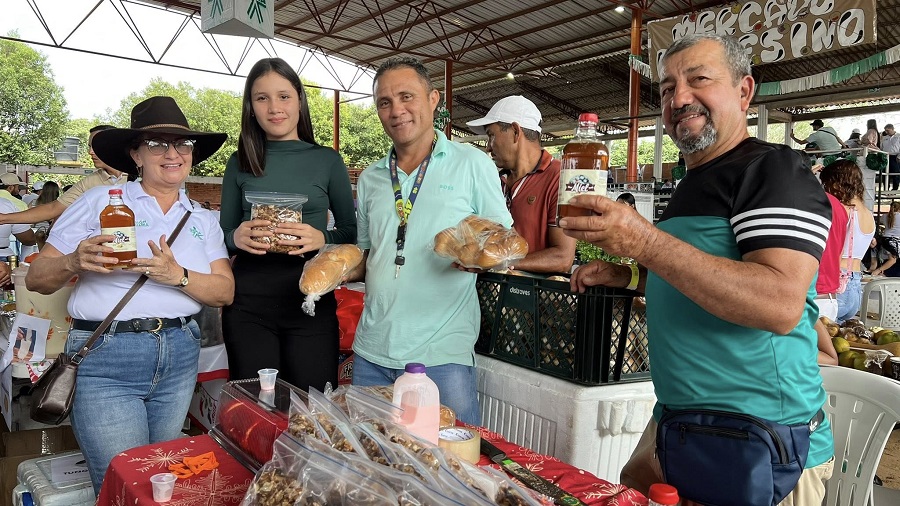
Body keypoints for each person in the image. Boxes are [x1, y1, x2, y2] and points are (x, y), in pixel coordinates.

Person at [559, 34, 834, 504]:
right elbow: (701, 274)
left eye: (698, 80)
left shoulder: (774, 171)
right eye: (666, 89)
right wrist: (627, 275)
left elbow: (779, 302)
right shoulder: (692, 182)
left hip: (760, 442)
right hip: (680, 423)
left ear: (744, 91)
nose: (679, 98)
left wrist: (645, 241)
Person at [25, 96, 234, 493]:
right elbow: (37, 277)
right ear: (135, 154)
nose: (172, 154)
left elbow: (224, 291)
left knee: (161, 482)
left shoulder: (202, 218)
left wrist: (179, 275)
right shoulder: (98, 202)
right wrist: (73, 261)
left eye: (182, 145)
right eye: (157, 144)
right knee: (124, 484)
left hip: (179, 353)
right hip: (108, 355)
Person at [348, 56, 511, 425]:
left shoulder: (471, 163)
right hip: (371, 351)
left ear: (433, 99)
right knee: (368, 464)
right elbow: (368, 254)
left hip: (442, 356)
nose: (397, 110)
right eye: (384, 103)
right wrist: (329, 265)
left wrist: (482, 256)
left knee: (451, 468)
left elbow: (501, 242)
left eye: (407, 96)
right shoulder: (373, 177)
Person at [219, 57, 357, 392]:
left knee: (311, 410)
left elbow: (351, 235)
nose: (274, 107)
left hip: (310, 301)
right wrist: (236, 236)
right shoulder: (239, 161)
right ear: (250, 107)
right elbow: (221, 237)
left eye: (284, 96)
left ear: (299, 100)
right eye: (261, 98)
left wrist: (320, 237)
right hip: (248, 304)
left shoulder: (327, 160)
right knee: (255, 412)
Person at [465, 95, 575, 274]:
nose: (488, 147)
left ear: (516, 132)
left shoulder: (560, 178)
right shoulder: (492, 179)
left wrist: (500, 261)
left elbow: (562, 258)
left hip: (535, 296)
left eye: (491, 135)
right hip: (491, 293)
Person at [0, 125, 131, 226]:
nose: (90, 152)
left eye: (96, 146)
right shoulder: (89, 182)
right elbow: (52, 209)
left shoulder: (141, 175)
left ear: (115, 145)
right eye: (89, 146)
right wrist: (4, 218)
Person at [820, 159, 876, 324]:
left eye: (826, 184)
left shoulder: (842, 210)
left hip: (838, 285)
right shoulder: (868, 213)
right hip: (855, 286)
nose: (826, 189)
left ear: (837, 183)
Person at [880, 123, 900, 191]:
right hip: (885, 157)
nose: (886, 132)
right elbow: (881, 148)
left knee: (895, 173)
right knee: (884, 173)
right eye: (885, 130)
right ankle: (886, 189)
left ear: (892, 129)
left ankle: (895, 189)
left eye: (888, 130)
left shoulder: (899, 136)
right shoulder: (884, 138)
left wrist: (899, 157)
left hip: (895, 157)